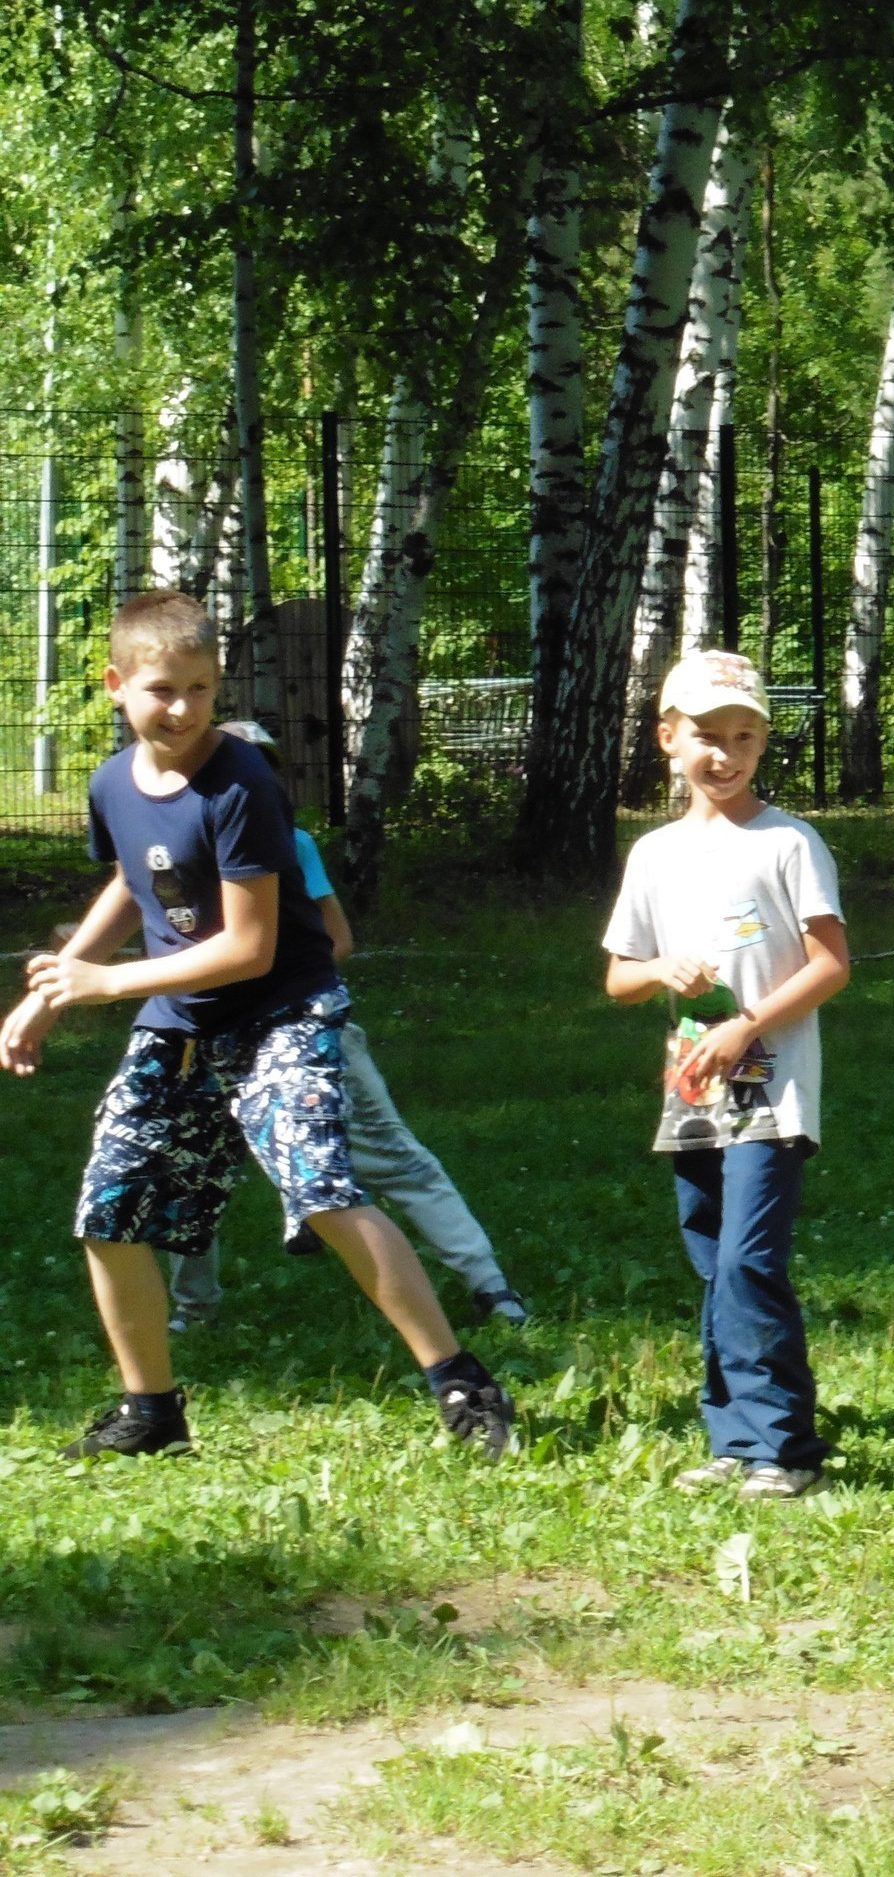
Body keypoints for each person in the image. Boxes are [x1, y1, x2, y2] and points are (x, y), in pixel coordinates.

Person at [0, 590, 515, 1461]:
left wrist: (108, 984)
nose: (183, 709)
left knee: (319, 1188)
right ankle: (151, 1413)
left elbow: (248, 946)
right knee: (109, 1210)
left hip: (283, 1013)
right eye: (162, 689)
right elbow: (136, 881)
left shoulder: (243, 783)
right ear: (115, 685)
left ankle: (460, 1380)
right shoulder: (109, 784)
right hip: (183, 1021)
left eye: (201, 689)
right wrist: (51, 988)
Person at [166, 723, 528, 1333]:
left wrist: (270, 986)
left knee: (394, 1158)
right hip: (203, 1035)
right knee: (191, 1168)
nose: (251, 778)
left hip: (308, 1029)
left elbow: (337, 941)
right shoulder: (177, 841)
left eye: (264, 766)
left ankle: (490, 1286)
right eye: (235, 763)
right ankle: (192, 1313)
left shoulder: (291, 842)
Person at [604, 648, 850, 1502]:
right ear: (668, 738)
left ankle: (786, 1447)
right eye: (709, 735)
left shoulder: (788, 841)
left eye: (745, 736)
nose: (727, 753)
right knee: (713, 1264)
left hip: (772, 1089)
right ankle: (733, 1437)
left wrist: (748, 1025)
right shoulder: (655, 855)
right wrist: (661, 971)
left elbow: (831, 965)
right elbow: (619, 975)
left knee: (750, 1260)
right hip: (694, 1093)